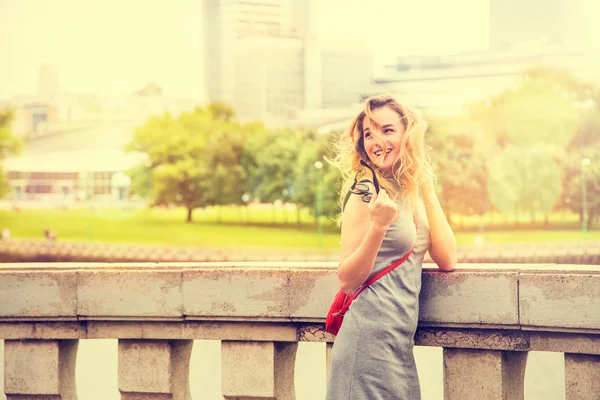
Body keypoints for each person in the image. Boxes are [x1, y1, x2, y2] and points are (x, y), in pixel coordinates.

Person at [326, 95, 457, 399]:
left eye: (387, 130)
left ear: (406, 136)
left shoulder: (409, 189)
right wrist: (378, 226)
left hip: (398, 344)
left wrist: (425, 184)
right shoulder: (365, 190)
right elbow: (347, 278)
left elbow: (447, 258)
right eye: (369, 134)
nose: (376, 141)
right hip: (366, 342)